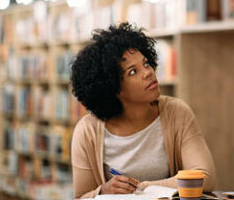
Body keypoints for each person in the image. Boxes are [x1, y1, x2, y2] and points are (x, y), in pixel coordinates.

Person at [70, 23, 215, 199]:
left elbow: (203, 177)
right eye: (133, 72)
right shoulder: (88, 131)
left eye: (146, 63)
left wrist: (142, 187)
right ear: (112, 88)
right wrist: (102, 191)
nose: (148, 72)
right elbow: (80, 197)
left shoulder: (176, 112)